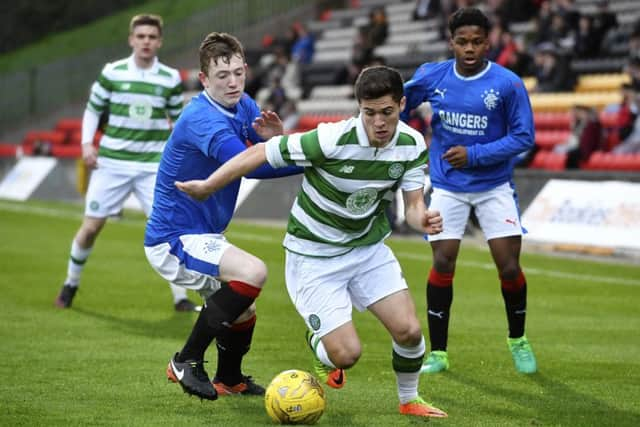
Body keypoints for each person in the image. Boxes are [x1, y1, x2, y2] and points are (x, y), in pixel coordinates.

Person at [176, 65, 448, 418]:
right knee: (346, 355)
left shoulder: (411, 144)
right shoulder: (331, 139)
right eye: (369, 113)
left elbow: (412, 207)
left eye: (387, 112)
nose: (378, 122)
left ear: (401, 104)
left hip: (367, 250)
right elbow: (259, 153)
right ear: (358, 108)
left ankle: (409, 399)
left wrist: (422, 218)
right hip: (314, 257)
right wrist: (209, 185)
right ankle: (319, 342)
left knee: (409, 331)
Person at [144, 32, 301, 401]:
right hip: (174, 237)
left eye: (237, 73)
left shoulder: (242, 104)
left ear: (245, 70)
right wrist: (304, 155)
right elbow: (252, 167)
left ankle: (230, 378)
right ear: (203, 80)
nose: (232, 82)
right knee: (253, 272)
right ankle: (186, 360)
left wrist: (275, 139)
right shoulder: (202, 119)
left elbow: (260, 148)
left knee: (244, 307)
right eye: (221, 76)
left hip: (204, 233)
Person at [400, 7, 537, 375]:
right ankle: (439, 353)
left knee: (508, 267)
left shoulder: (508, 83)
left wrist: (474, 155)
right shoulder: (433, 75)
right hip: (448, 185)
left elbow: (525, 137)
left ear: (488, 42)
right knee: (443, 260)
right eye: (462, 42)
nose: (470, 48)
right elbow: (398, 103)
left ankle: (518, 340)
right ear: (451, 43)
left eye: (477, 41)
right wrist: (399, 133)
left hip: (494, 186)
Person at [54, 14, 198, 312]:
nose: (146, 41)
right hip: (113, 163)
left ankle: (180, 298)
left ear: (159, 41)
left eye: (151, 37)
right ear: (131, 39)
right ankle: (70, 284)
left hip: (152, 167)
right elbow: (93, 109)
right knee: (91, 227)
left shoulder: (170, 78)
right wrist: (85, 144)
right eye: (141, 36)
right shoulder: (113, 72)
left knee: (168, 230)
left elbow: (177, 123)